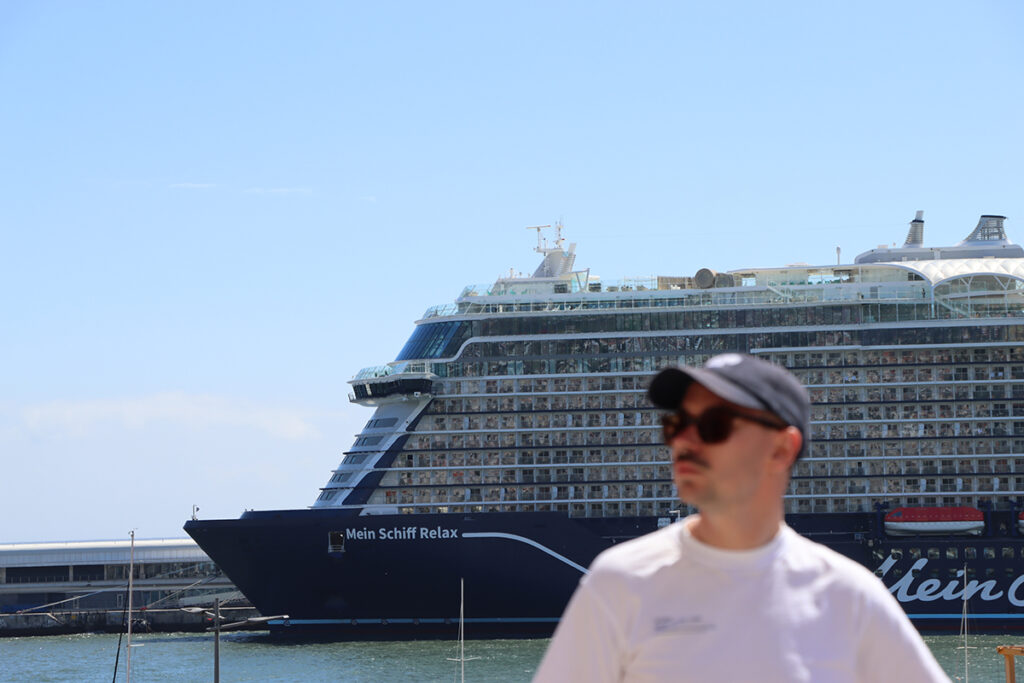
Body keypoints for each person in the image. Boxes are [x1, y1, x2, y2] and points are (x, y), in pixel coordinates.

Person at [534, 353, 948, 682]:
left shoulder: (849, 596)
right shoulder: (620, 583)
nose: (683, 441)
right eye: (676, 424)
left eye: (714, 425)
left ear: (781, 450)